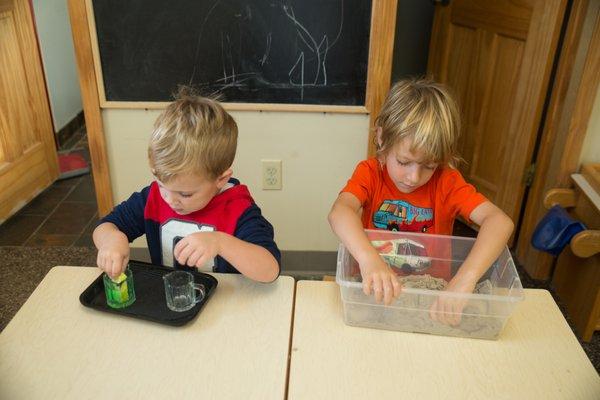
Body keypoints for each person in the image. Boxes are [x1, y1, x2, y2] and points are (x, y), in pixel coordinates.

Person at [328, 78, 514, 325]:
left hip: (431, 297)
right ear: (381, 138)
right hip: (371, 292)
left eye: (429, 165)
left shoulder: (446, 181)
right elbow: (339, 213)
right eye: (404, 162)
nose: (414, 177)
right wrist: (369, 258)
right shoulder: (371, 173)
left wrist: (464, 280)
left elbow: (500, 222)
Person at [93, 89, 280, 283]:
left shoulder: (237, 209)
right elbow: (105, 226)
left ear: (221, 179)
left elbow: (269, 270)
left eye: (185, 194)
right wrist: (111, 239)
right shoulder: (154, 197)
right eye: (162, 185)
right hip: (174, 302)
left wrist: (220, 242)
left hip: (226, 303)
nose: (170, 200)